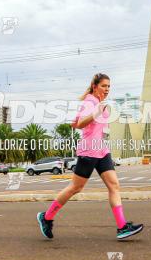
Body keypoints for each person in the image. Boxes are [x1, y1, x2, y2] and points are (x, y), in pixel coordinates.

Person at [37, 73, 144, 240]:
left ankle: (122, 227)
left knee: (114, 185)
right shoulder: (90, 101)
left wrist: (83, 118)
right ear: (95, 86)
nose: (107, 89)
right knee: (75, 188)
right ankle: (47, 217)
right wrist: (94, 113)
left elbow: (77, 122)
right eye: (103, 86)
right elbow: (81, 123)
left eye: (109, 86)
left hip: (101, 149)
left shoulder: (97, 103)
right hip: (89, 150)